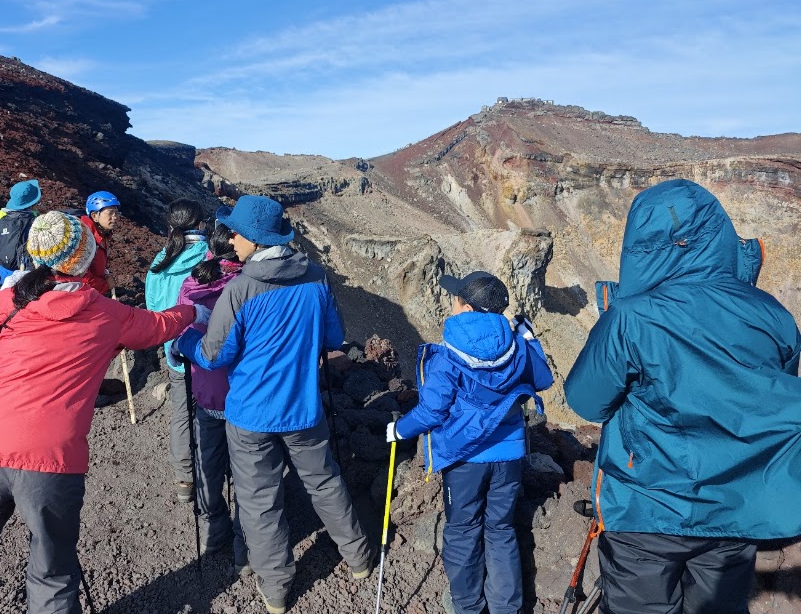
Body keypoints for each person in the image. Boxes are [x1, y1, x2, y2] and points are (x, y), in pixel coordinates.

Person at [0, 211, 200, 613]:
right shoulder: (107, 314)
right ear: (86, 259)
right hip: (53, 463)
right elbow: (157, 326)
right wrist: (193, 311)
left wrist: (5, 298)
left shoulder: (13, 301)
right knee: (53, 574)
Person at [564, 179, 801, 614]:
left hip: (644, 507)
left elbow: (587, 402)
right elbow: (771, 404)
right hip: (733, 509)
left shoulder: (630, 317)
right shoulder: (773, 315)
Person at [175, 195, 373, 614]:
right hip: (304, 408)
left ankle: (278, 589)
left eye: (235, 232)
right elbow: (333, 338)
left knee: (259, 499)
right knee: (324, 481)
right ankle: (358, 557)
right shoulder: (316, 277)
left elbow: (213, 355)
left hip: (250, 413)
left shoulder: (242, 288)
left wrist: (186, 339)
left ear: (253, 238)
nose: (230, 238)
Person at [387, 270, 553, 614]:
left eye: (456, 296)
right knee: (501, 529)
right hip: (508, 454)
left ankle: (468, 607)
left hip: (463, 458)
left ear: (465, 306)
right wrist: (530, 339)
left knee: (463, 531)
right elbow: (543, 379)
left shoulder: (449, 354)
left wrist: (400, 430)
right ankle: (507, 608)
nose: (452, 300)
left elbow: (432, 411)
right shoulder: (516, 346)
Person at [174, 223, 247, 568]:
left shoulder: (192, 284)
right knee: (249, 472)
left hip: (205, 392)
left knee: (208, 463)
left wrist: (180, 349)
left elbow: (181, 333)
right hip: (243, 396)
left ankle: (214, 527)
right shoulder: (247, 286)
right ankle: (245, 542)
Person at [145, 198, 208, 502]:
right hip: (212, 352)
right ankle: (215, 471)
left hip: (175, 352)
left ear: (170, 226)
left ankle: (185, 478)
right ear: (201, 225)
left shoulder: (160, 262)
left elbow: (154, 309)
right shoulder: (211, 256)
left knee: (182, 413)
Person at [0, 179, 41, 286]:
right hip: (26, 276)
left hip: (4, 273)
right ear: (33, 203)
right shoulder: (35, 223)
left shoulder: (0, 223)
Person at [81, 190, 120, 295]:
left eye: (116, 212)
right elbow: (81, 276)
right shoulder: (84, 238)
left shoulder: (101, 234)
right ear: (94, 216)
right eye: (110, 213)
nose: (115, 217)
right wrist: (105, 285)